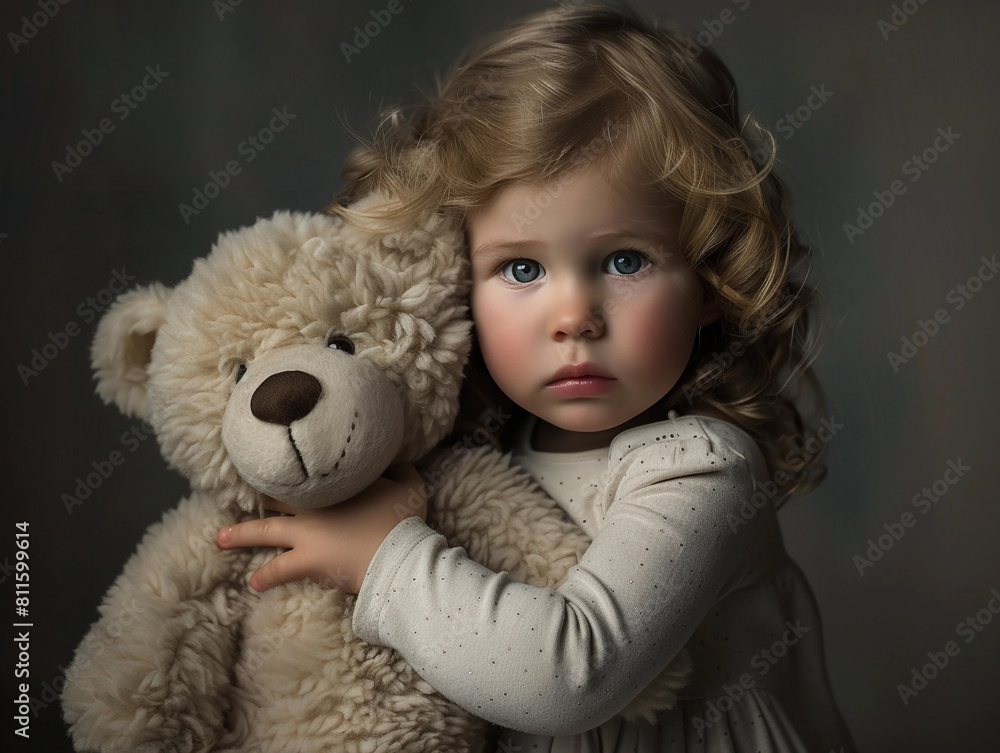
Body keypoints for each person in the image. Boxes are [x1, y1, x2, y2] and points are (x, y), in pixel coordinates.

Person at [218, 3, 857, 750]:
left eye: (625, 260)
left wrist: (384, 557)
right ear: (457, 281)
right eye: (521, 267)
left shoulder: (700, 471)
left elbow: (566, 675)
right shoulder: (483, 458)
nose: (574, 316)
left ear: (710, 278)